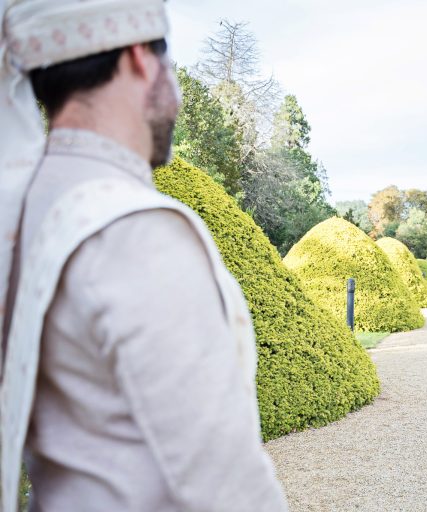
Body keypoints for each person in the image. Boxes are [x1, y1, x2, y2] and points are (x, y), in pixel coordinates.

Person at [0, 1, 287, 510]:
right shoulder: (135, 231)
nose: (175, 93)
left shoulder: (25, 207)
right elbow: (227, 485)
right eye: (171, 65)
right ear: (139, 56)